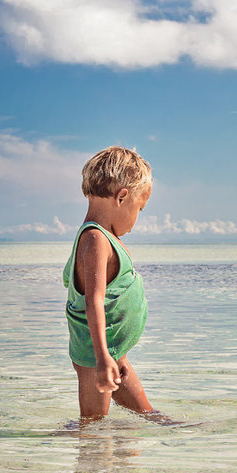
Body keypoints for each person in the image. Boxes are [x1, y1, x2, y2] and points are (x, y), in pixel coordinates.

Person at [63, 146, 155, 419]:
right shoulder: (95, 239)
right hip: (96, 358)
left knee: (149, 416)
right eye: (139, 208)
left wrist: (112, 355)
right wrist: (102, 359)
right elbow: (93, 300)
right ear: (122, 197)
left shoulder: (106, 238)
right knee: (92, 427)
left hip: (114, 354)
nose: (136, 220)